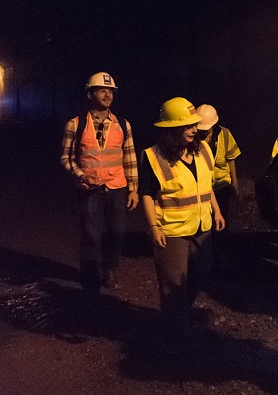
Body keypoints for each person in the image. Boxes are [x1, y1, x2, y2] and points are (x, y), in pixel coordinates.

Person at [139, 97, 226, 350]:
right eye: (187, 126)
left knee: (200, 273)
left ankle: (176, 319)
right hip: (172, 231)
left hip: (202, 226)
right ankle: (174, 338)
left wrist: (217, 211)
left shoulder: (203, 151)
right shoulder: (153, 157)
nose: (193, 129)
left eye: (194, 125)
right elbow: (146, 193)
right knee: (173, 284)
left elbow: (206, 186)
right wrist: (153, 226)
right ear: (171, 129)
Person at [60, 72, 139, 295]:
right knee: (91, 235)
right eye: (102, 90)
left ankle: (110, 268)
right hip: (90, 189)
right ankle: (90, 278)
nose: (107, 95)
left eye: (110, 91)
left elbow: (130, 157)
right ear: (90, 94)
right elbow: (65, 157)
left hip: (117, 187)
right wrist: (79, 174)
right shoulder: (75, 125)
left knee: (117, 233)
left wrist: (133, 188)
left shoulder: (123, 125)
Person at [196, 104, 241, 233]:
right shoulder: (192, 137)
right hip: (202, 185)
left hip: (221, 185)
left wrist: (235, 183)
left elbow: (231, 159)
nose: (203, 132)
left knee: (222, 217)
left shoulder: (225, 134)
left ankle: (222, 247)